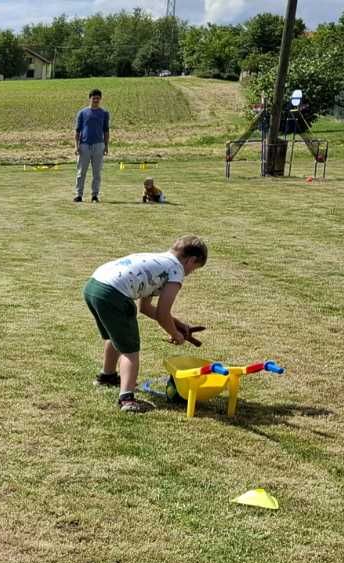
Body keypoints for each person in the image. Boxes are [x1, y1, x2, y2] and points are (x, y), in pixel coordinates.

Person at [84, 236, 208, 413]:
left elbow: (145, 307)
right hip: (114, 293)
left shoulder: (158, 260)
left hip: (94, 286)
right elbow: (163, 314)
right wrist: (175, 334)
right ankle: (126, 399)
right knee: (130, 350)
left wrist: (179, 325)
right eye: (194, 269)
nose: (190, 273)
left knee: (116, 335)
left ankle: (107, 376)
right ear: (191, 260)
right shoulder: (176, 270)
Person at [74, 89, 110, 203]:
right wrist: (76, 146)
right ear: (90, 98)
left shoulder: (104, 113)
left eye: (98, 98)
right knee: (81, 172)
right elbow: (77, 131)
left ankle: (94, 195)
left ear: (100, 99)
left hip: (99, 145)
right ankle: (79, 195)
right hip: (84, 145)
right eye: (93, 98)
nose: (95, 100)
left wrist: (106, 145)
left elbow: (106, 131)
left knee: (97, 172)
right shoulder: (82, 113)